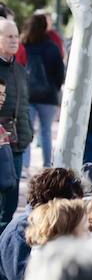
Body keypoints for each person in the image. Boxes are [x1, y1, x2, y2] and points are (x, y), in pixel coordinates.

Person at [21, 12, 62, 169]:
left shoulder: (24, 45)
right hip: (48, 97)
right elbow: (59, 72)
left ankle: (25, 166)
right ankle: (46, 165)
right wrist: (54, 89)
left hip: (28, 95)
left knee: (27, 132)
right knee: (45, 132)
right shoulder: (52, 47)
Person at [0, 18, 30, 225]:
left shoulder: (19, 69)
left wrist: (27, 133)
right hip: (1, 144)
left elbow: (25, 105)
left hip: (18, 144)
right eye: (9, 36)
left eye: (16, 36)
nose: (14, 40)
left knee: (10, 204)